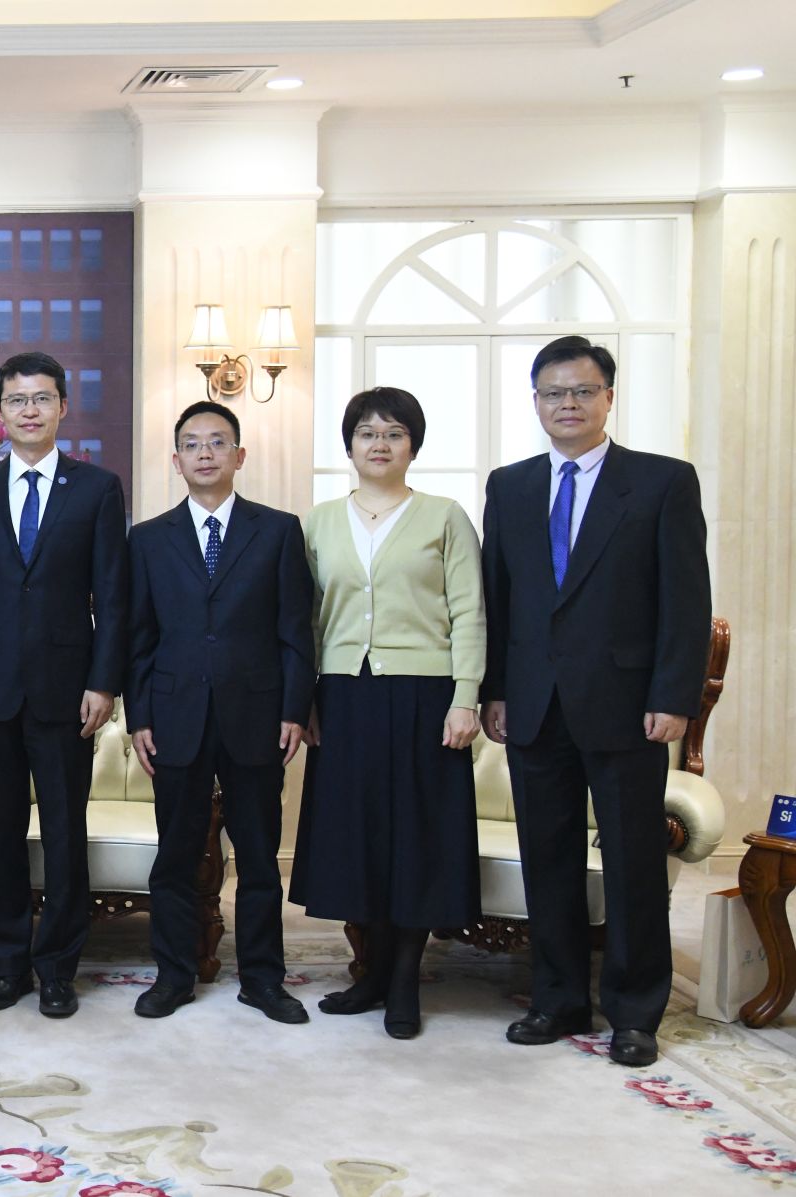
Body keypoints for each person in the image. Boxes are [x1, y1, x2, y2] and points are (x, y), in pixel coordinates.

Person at [481, 335, 711, 1068]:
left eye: (582, 391)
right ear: (536, 402)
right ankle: (557, 998)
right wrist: (495, 690)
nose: (568, 404)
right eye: (554, 393)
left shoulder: (662, 482)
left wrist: (674, 696)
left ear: (609, 397)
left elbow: (686, 601)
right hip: (534, 705)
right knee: (547, 857)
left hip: (627, 705)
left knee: (634, 864)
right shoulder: (510, 486)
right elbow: (498, 599)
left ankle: (635, 1012)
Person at [290, 387, 484, 1039]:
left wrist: (465, 696)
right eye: (367, 433)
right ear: (349, 445)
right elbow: (304, 621)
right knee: (358, 837)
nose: (380, 444)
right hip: (344, 695)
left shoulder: (444, 517)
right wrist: (305, 698)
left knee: (416, 839)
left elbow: (470, 612)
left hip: (425, 695)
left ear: (413, 446)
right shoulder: (319, 522)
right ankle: (369, 973)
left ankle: (403, 979)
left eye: (394, 433)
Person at [0, 351, 126, 1019]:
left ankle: (57, 969)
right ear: (0, 411)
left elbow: (113, 595)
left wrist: (104, 682)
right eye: (17, 399)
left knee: (65, 834)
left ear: (62, 407)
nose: (29, 410)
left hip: (67, 690)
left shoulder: (97, 489)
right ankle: (9, 963)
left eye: (42, 398)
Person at [126, 400, 315, 1025]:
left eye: (217, 442)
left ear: (239, 455)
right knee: (175, 857)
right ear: (175, 460)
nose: (204, 453)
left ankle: (263, 979)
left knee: (259, 858)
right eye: (192, 443)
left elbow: (295, 630)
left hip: (256, 716)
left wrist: (294, 708)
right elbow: (139, 637)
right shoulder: (148, 539)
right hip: (174, 717)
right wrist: (139, 717)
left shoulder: (278, 530)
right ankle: (174, 975)